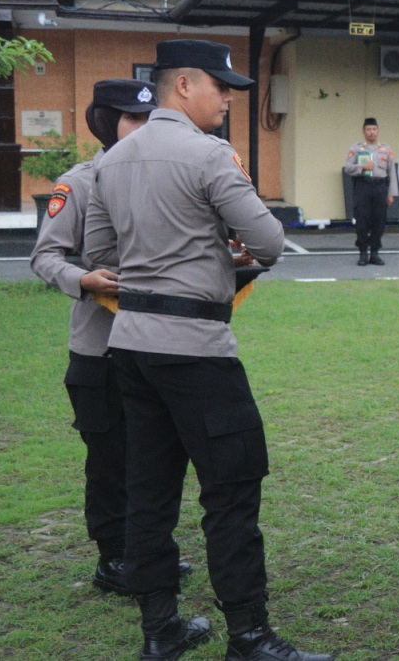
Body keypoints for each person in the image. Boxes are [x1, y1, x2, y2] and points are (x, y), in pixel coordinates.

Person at [83, 40, 330, 661]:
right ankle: (249, 634)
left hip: (131, 344)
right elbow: (270, 242)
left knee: (149, 489)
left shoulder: (113, 160)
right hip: (196, 346)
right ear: (184, 86)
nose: (228, 98)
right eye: (221, 87)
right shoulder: (210, 153)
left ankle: (160, 628)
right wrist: (219, 252)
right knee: (232, 488)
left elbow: (97, 256)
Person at [29, 79, 194, 597]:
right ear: (106, 123)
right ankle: (114, 559)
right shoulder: (79, 183)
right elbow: (45, 256)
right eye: (132, 120)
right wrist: (83, 280)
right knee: (110, 462)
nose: (144, 130)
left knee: (156, 459)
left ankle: (148, 552)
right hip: (100, 352)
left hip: (159, 345)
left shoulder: (169, 177)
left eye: (150, 119)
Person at [343, 117, 399, 266]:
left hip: (380, 187)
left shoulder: (385, 149)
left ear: (378, 131)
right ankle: (363, 252)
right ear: (364, 132)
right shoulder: (356, 149)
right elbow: (347, 168)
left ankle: (374, 253)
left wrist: (391, 193)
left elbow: (391, 171)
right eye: (368, 129)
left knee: (379, 221)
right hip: (363, 186)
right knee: (362, 220)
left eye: (374, 129)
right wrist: (361, 168)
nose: (372, 132)